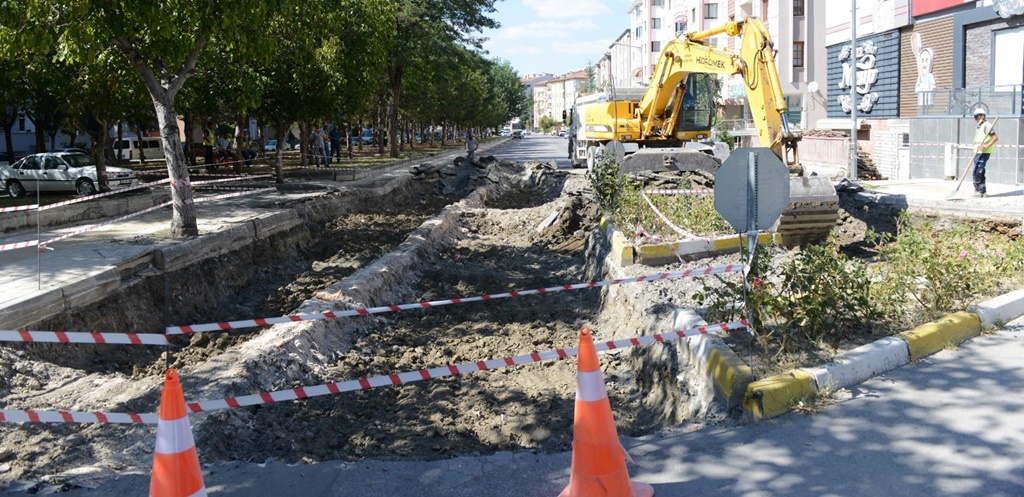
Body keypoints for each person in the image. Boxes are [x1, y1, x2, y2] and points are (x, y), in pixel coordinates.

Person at [971, 108, 998, 198]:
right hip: (978, 152)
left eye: (976, 116)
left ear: (982, 116)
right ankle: (980, 190)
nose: (975, 119)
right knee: (978, 171)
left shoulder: (987, 125)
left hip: (984, 152)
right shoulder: (979, 126)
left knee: (978, 171)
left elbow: (995, 138)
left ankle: (979, 190)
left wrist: (985, 146)